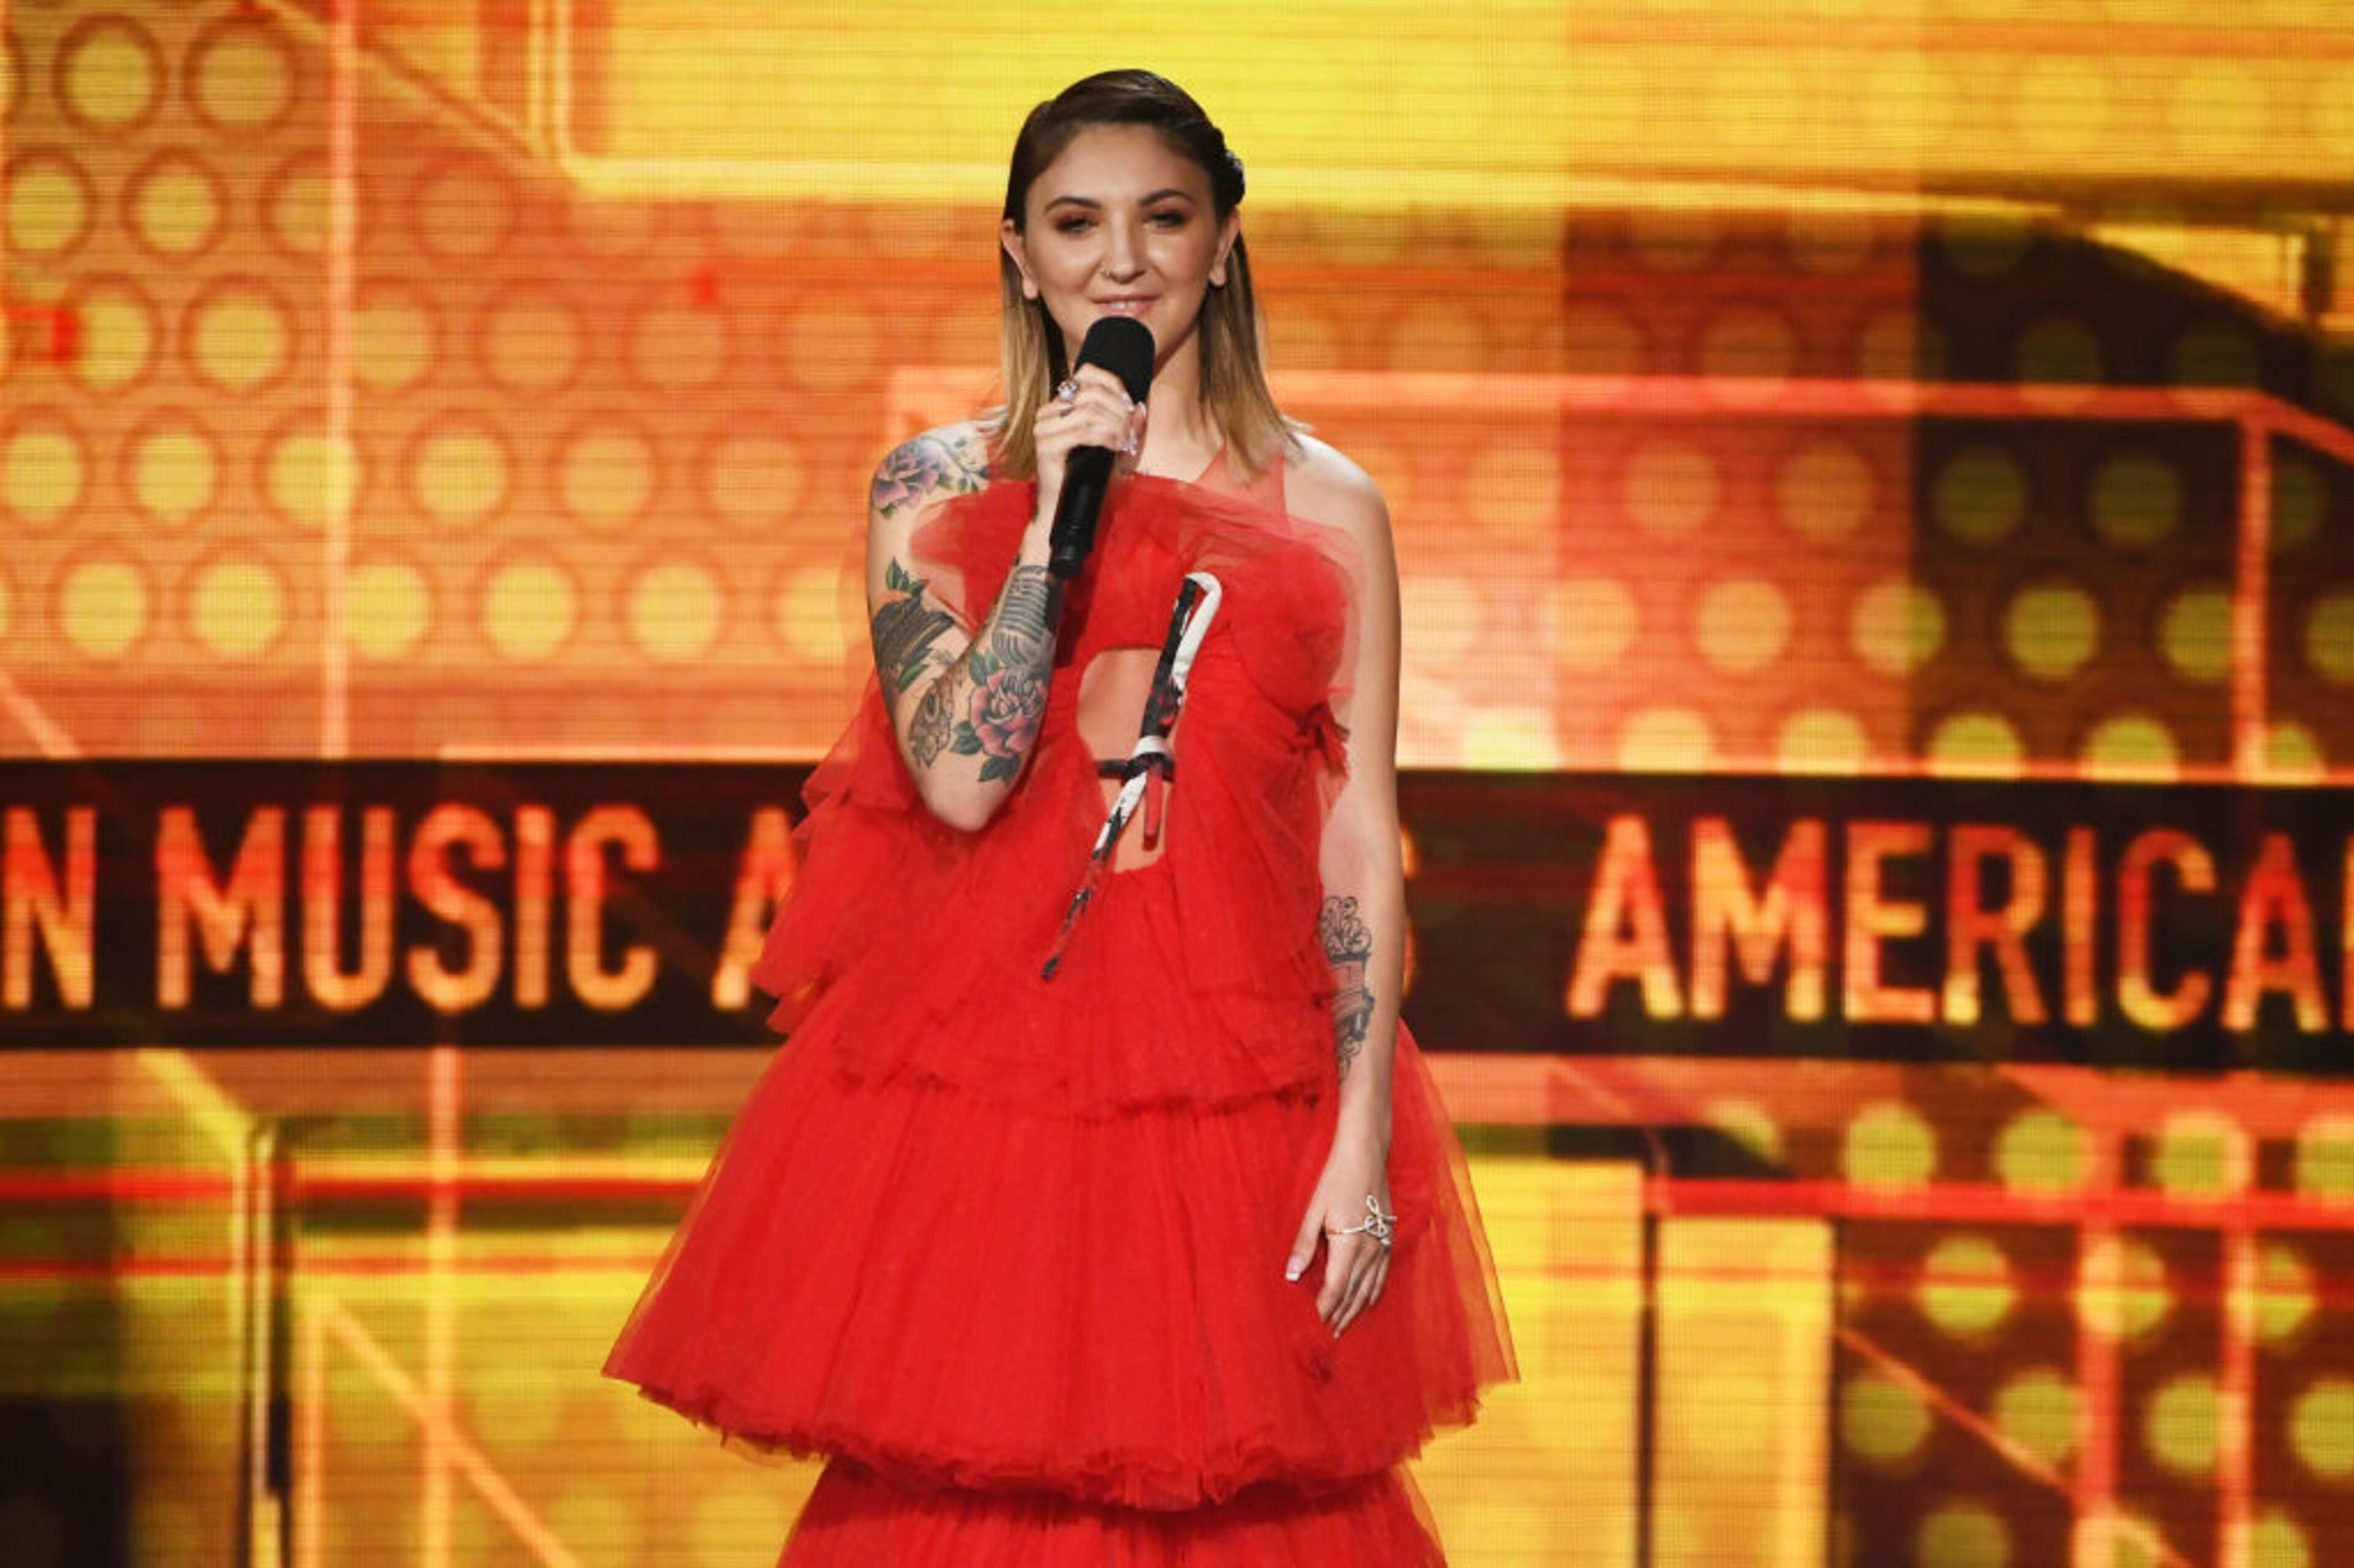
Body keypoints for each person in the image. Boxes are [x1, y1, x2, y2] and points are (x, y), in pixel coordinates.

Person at [606, 69, 1514, 1566]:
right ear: (1019, 251)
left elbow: (1358, 832)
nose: (1123, 260)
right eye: (1076, 222)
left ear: (1224, 241)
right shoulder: (936, 483)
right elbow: (963, 774)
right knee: (976, 1490)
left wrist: (1361, 1145)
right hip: (991, 1098)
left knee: (1246, 1492)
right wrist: (1055, 519)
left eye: (1165, 218)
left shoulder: (1327, 504)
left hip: (1232, 1092)